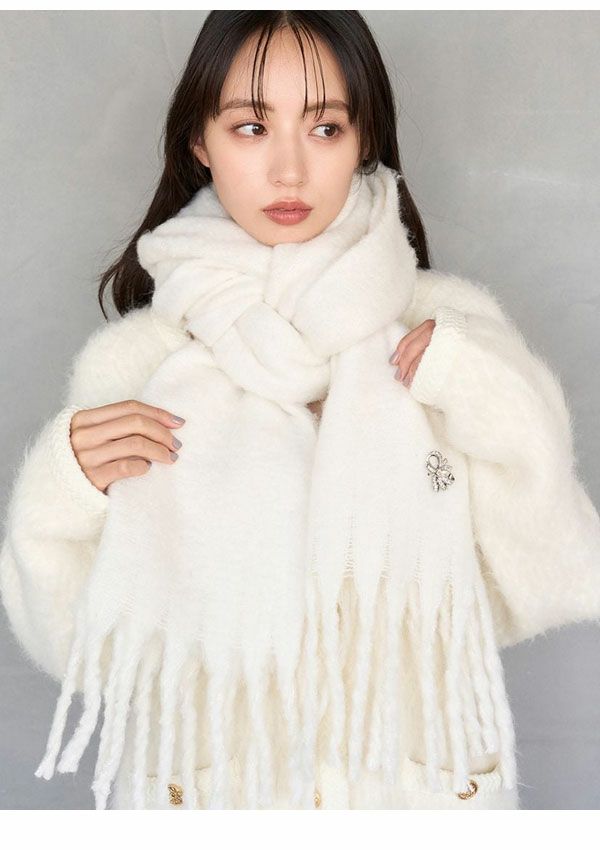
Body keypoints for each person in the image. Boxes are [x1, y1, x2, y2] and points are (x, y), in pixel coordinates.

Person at [2, 11, 599, 811]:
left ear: (364, 140)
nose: (289, 170)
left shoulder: (447, 338)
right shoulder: (138, 369)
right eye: (251, 127)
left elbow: (543, 578)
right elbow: (83, 650)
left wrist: (491, 396)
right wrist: (58, 495)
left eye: (324, 127)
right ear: (200, 141)